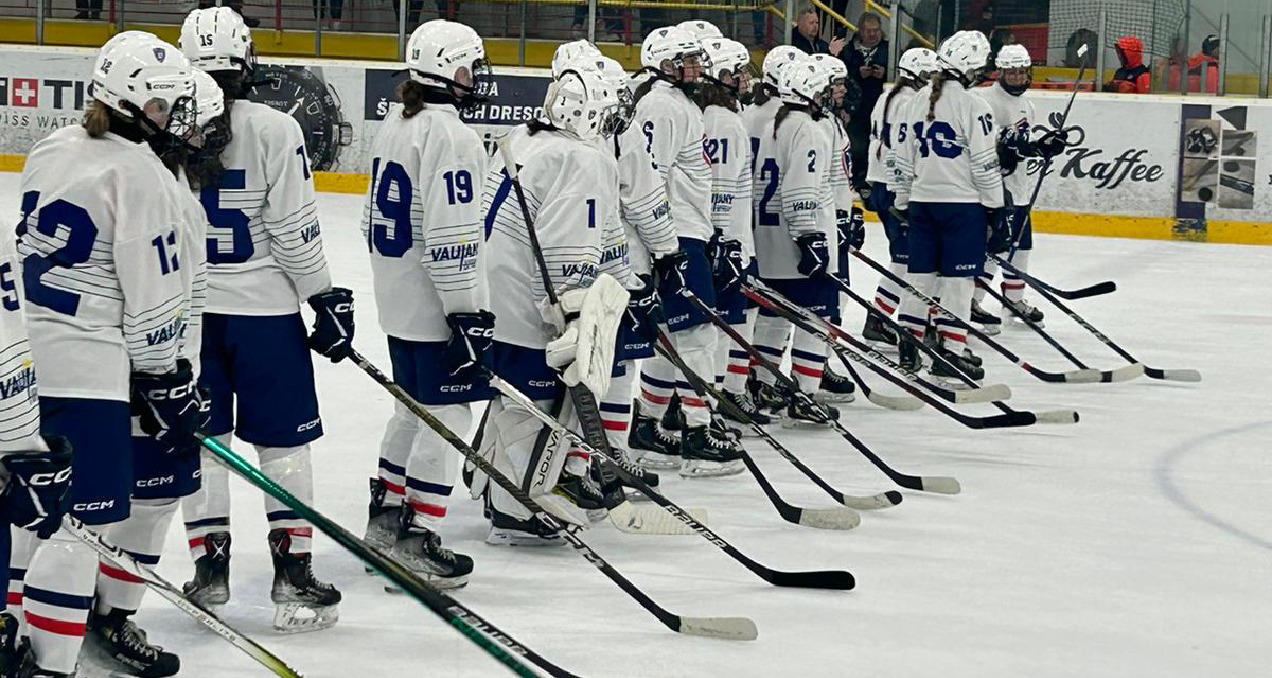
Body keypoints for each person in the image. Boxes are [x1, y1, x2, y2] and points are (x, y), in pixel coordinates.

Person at [13, 31, 208, 678]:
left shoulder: (51, 147)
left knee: (28, 510)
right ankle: (54, 665)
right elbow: (152, 301)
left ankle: (13, 634)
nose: (171, 120)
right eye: (162, 107)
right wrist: (164, 375)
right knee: (79, 531)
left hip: (22, 364)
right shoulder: (142, 173)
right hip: (88, 372)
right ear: (131, 103)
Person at [178, 6, 353, 633]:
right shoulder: (276, 127)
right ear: (246, 59)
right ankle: (293, 573)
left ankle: (210, 571)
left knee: (205, 443)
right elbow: (293, 229)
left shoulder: (167, 130)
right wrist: (324, 296)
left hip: (187, 317)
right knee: (284, 446)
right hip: (264, 317)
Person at [360, 19, 492, 589]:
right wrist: (466, 311)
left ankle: (387, 516)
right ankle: (418, 536)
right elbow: (452, 233)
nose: (477, 77)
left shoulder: (398, 122)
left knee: (409, 409)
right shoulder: (451, 134)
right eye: (471, 66)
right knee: (449, 416)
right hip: (436, 301)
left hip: (398, 296)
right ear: (447, 68)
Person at [478, 68, 627, 544]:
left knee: (511, 396)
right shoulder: (582, 158)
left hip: (488, 295)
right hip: (525, 304)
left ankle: (494, 485)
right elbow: (569, 250)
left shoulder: (525, 137)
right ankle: (520, 508)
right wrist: (577, 314)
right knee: (539, 399)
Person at [626, 25, 745, 475]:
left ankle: (651, 426)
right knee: (697, 333)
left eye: (696, 59)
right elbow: (649, 175)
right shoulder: (662, 104)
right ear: (664, 63)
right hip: (674, 234)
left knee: (671, 334)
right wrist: (663, 246)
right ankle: (698, 431)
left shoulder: (676, 103)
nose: (696, 67)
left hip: (681, 230)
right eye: (686, 60)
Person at [891, 30, 999, 381]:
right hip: (961, 207)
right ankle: (951, 351)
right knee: (957, 282)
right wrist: (997, 207)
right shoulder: (973, 105)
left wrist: (903, 198)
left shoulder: (915, 100)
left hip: (923, 202)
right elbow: (984, 163)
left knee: (919, 276)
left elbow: (902, 159)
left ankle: (909, 343)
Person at [749, 57, 843, 426]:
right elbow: (800, 190)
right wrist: (811, 238)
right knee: (815, 321)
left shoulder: (757, 117)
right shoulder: (807, 128)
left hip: (764, 241)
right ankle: (804, 394)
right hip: (795, 244)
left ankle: (767, 384)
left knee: (772, 319)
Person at [972, 44, 1066, 331]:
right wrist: (1010, 149)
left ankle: (1014, 299)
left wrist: (1042, 147)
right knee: (992, 248)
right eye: (1011, 72)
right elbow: (983, 144)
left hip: (1018, 187)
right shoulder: (982, 99)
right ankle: (972, 301)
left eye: (1022, 72)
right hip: (992, 189)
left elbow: (1020, 145)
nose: (1017, 77)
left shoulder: (1028, 104)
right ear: (1000, 72)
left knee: (1022, 246)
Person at [695, 36, 761, 437]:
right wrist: (723, 240)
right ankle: (721, 395)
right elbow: (719, 188)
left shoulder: (710, 115)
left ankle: (726, 392)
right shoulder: (724, 122)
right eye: (739, 71)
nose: (746, 79)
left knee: (729, 320)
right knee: (728, 322)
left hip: (723, 237)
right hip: (727, 239)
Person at [864, 47, 938, 347]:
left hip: (881, 183)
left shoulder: (887, 97)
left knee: (905, 257)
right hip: (895, 187)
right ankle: (883, 319)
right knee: (908, 259)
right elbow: (902, 150)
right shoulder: (911, 102)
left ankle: (887, 318)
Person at [806, 52, 859, 404]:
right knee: (820, 302)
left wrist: (849, 210)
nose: (841, 89)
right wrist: (840, 215)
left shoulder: (829, 122)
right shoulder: (819, 125)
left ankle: (819, 361)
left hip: (831, 218)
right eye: (835, 83)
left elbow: (841, 178)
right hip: (820, 222)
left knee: (831, 301)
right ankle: (814, 365)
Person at [842, 11, 889, 187]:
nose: (872, 34)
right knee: (858, 147)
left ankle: (873, 184)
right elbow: (842, 78)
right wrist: (857, 74)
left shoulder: (889, 49)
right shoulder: (848, 51)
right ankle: (856, 182)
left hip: (880, 107)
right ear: (860, 31)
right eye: (868, 30)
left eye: (876, 30)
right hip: (857, 110)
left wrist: (885, 75)